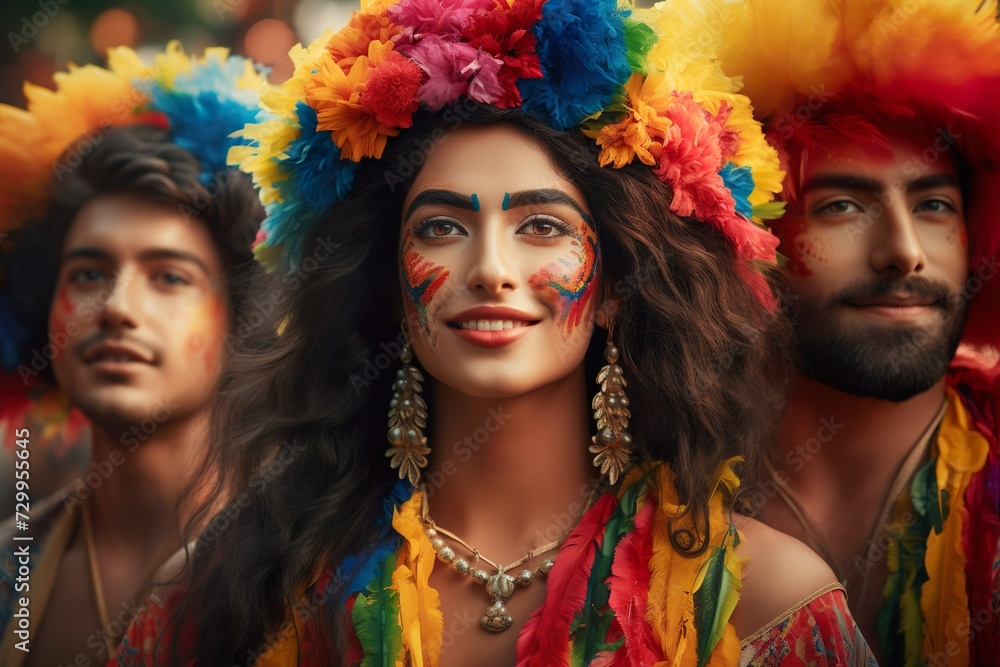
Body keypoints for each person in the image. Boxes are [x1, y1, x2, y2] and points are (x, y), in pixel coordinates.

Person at [114, 1, 876, 665]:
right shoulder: (229, 590)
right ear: (389, 287)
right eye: (442, 226)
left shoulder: (762, 602)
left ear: (615, 285)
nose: (490, 268)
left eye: (541, 225)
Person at [718, 0, 1000, 664]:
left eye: (933, 204)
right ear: (749, 235)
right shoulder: (655, 489)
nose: (903, 251)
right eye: (842, 205)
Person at [0, 44, 265, 666]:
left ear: (242, 317)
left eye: (169, 277)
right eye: (89, 274)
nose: (118, 308)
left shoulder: (320, 570)